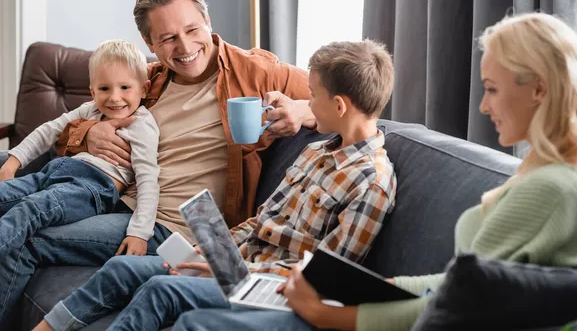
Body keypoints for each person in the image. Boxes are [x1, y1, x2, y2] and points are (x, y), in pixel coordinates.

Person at [168, 12, 577, 331]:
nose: (484, 106)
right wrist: (390, 285)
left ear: (539, 89)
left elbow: (457, 304)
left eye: (491, 89)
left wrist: (329, 315)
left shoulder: (554, 190)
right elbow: (460, 283)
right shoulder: (554, 174)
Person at [0, 0, 314, 326]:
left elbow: (344, 100)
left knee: (26, 238)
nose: (184, 46)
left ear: (208, 22)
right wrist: (90, 133)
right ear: (149, 43)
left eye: (193, 29)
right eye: (167, 38)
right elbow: (72, 123)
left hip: (178, 227)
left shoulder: (256, 72)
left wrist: (301, 111)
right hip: (122, 201)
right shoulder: (151, 81)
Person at [35, 39, 398, 331]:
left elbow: (325, 275)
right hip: (237, 266)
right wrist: (210, 253)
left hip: (273, 288)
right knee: (122, 267)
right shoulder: (317, 151)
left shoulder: (371, 182)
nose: (305, 102)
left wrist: (230, 270)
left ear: (337, 105)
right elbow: (261, 222)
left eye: (312, 95)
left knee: (163, 290)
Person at [0, 39, 160, 259]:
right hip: (54, 172)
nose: (114, 97)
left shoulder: (142, 125)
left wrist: (140, 233)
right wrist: (12, 163)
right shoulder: (90, 110)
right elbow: (49, 130)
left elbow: (148, 179)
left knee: (32, 208)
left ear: (144, 89)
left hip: (90, 188)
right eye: (104, 88)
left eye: (125, 87)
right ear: (93, 92)